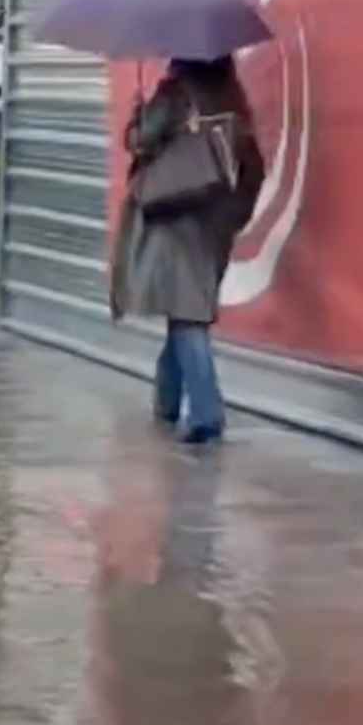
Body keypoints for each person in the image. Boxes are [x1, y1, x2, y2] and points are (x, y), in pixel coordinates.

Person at [110, 57, 266, 444]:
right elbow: (250, 166)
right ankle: (165, 404)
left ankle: (206, 416)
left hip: (176, 214)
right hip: (216, 219)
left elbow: (139, 141)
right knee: (184, 308)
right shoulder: (233, 99)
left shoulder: (175, 93)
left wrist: (137, 115)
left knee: (187, 317)